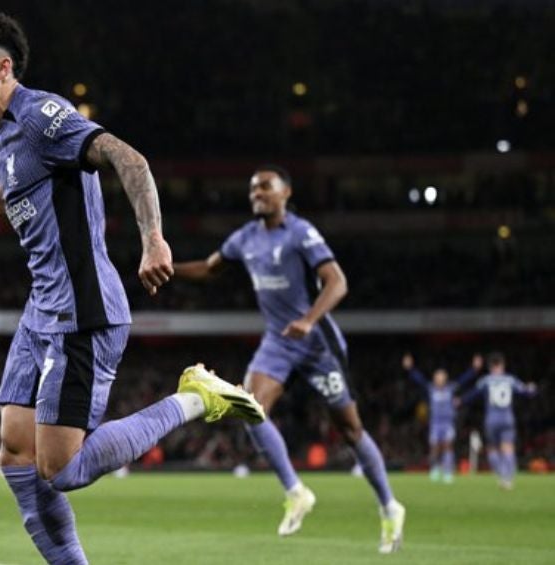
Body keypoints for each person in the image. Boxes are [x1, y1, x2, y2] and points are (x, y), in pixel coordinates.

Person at [0, 9, 264, 564]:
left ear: (3, 68)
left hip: (83, 310)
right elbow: (15, 213)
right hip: (42, 310)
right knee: (14, 452)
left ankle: (196, 398)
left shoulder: (40, 115)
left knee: (62, 469)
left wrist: (154, 238)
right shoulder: (6, 137)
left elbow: (129, 158)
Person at [172, 165, 406, 553]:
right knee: (249, 406)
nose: (256, 194)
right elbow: (210, 268)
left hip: (318, 343)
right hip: (278, 341)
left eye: (265, 187)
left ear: (285, 193)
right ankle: (296, 492)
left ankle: (389, 506)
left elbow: (338, 282)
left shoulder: (301, 232)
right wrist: (170, 270)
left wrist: (309, 320)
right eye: (252, 189)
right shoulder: (244, 239)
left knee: (349, 430)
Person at [458, 352, 537, 489]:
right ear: (502, 365)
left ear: (490, 367)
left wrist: (460, 400)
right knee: (508, 447)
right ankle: (509, 478)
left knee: (492, 449)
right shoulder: (510, 379)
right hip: (507, 419)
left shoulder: (486, 380)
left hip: (492, 420)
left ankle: (501, 475)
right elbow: (526, 391)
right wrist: (532, 388)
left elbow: (472, 395)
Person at [402, 353, 481, 483]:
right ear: (434, 379)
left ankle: (448, 471)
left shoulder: (450, 388)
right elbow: (418, 380)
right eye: (437, 377)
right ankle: (435, 469)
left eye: (441, 377)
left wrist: (474, 369)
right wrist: (410, 369)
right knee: (434, 447)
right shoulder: (430, 389)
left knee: (447, 446)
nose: (439, 379)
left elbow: (464, 380)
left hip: (447, 423)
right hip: (435, 423)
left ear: (445, 378)